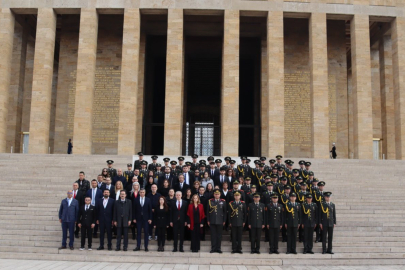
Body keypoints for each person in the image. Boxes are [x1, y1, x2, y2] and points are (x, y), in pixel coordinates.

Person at [207, 189, 226, 253]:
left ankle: (218, 248)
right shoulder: (210, 201)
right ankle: (213, 248)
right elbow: (208, 212)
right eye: (215, 194)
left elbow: (225, 212)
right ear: (214, 195)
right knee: (213, 235)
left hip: (220, 221)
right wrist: (208, 220)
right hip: (212, 220)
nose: (217, 195)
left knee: (219, 235)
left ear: (220, 195)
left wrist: (224, 220)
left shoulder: (223, 202)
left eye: (218, 194)